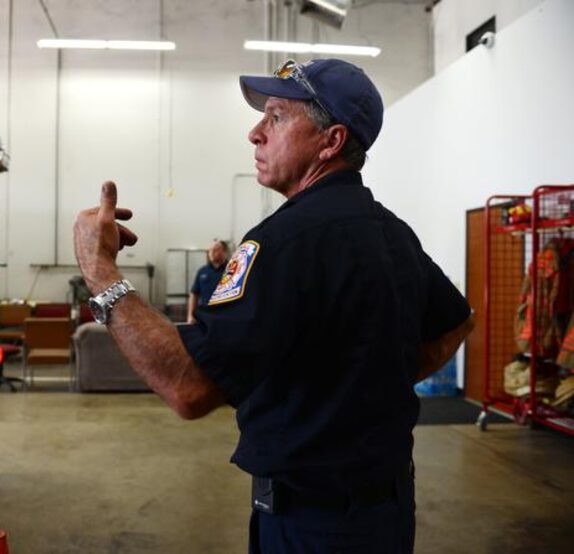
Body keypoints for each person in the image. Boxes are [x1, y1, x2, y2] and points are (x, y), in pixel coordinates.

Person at [73, 58, 474, 553]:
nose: (255, 132)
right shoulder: (391, 232)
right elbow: (454, 323)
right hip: (385, 513)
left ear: (331, 142)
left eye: (277, 116)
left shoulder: (284, 242)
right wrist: (357, 389)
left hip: (313, 524)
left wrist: (101, 270)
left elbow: (188, 387)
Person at [187, 239, 229, 323]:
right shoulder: (202, 271)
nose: (211, 252)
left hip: (226, 316)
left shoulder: (232, 270)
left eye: (216, 249)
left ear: (224, 252)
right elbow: (194, 294)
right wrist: (190, 315)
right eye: (210, 250)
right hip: (205, 316)